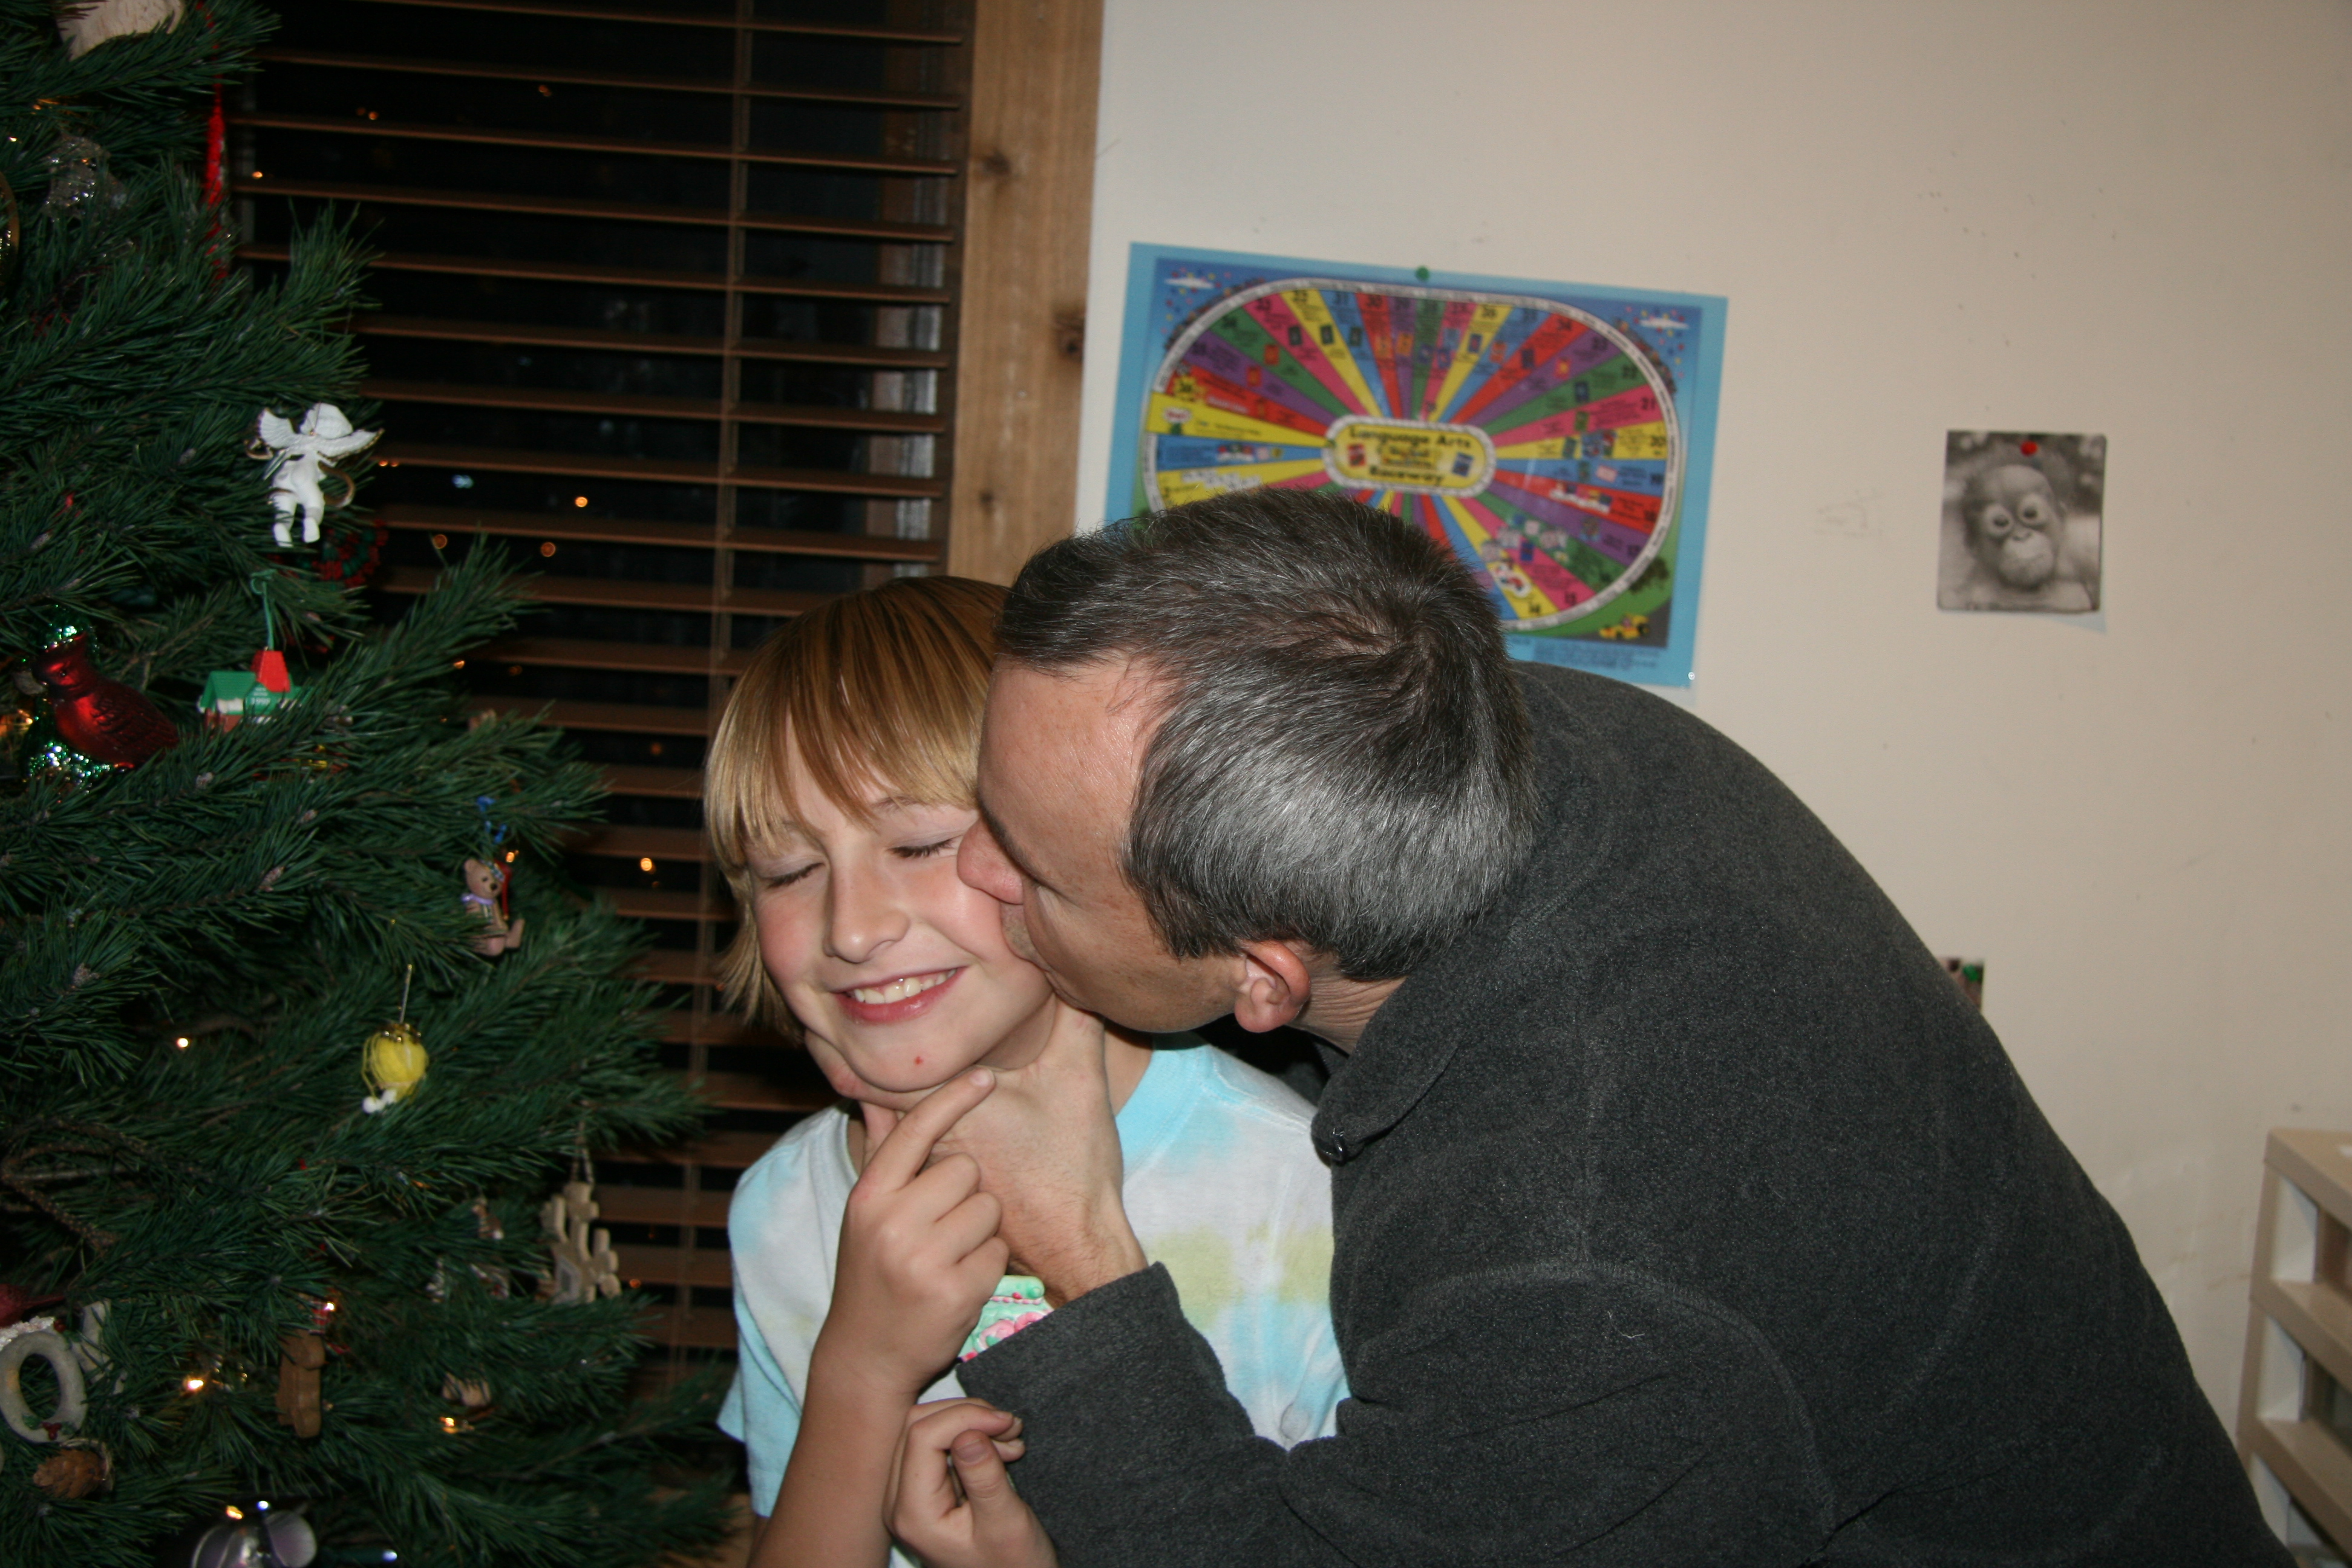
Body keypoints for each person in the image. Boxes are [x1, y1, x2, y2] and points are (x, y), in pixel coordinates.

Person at [884, 491, 2288, 1565]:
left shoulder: (1591, 1270)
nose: (976, 874)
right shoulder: (1487, 723)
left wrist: (1076, 1249)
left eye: (1031, 868)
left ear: (1264, 978)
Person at [702, 575, 1347, 1568]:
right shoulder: (782, 1207)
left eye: (920, 843)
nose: (853, 929)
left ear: (1061, 847)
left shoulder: (1297, 1192)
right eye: (790, 872)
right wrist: (859, 1374)